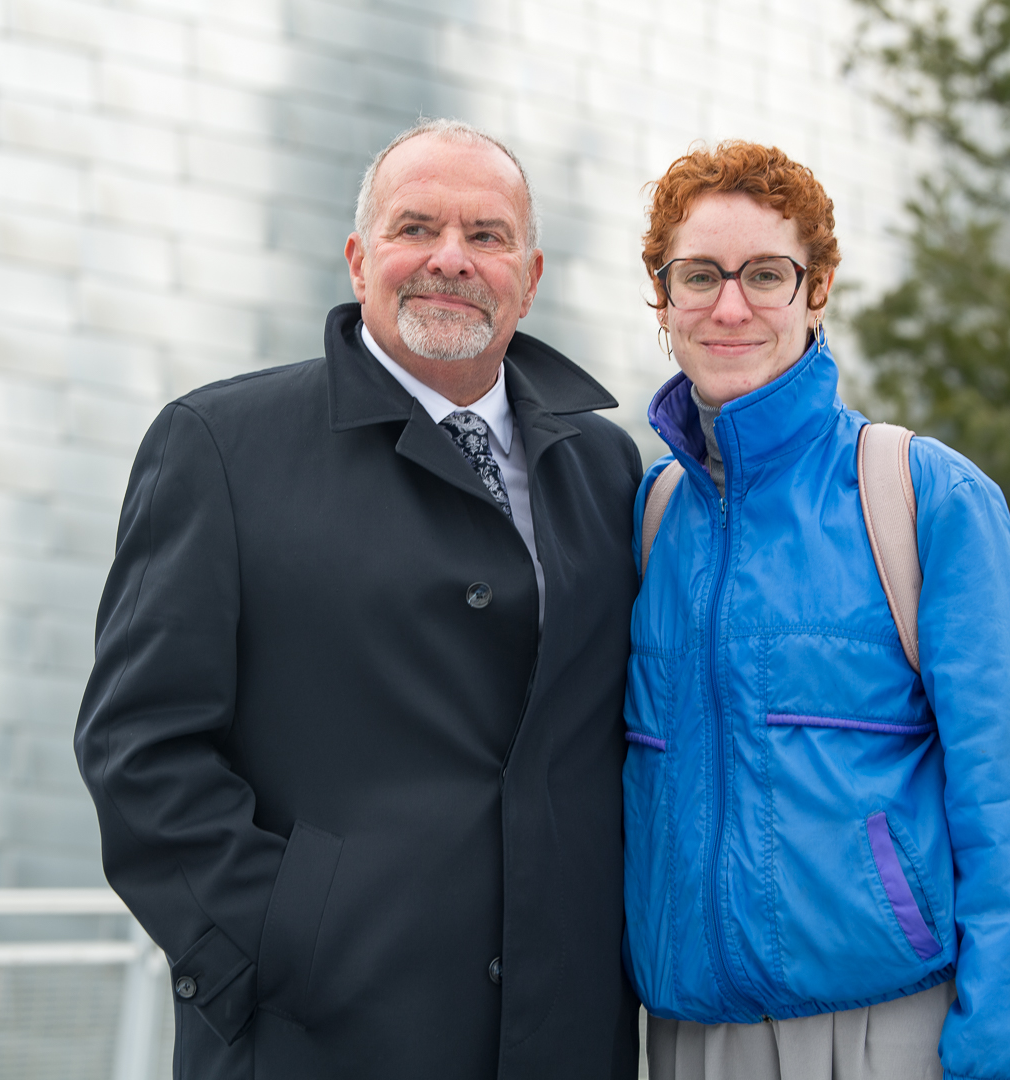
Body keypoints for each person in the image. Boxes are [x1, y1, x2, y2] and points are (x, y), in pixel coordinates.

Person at [75, 118, 644, 1080]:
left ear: (531, 276)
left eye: (488, 236)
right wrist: (283, 940)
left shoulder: (606, 468)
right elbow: (139, 748)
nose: (450, 260)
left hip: (563, 1032)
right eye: (415, 227)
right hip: (320, 1035)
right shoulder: (220, 445)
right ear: (357, 259)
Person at [622, 141, 1010, 1080]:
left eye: (767, 274)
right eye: (699, 276)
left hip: (890, 1030)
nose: (731, 305)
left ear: (818, 287)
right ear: (662, 297)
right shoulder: (651, 516)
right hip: (687, 1041)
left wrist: (999, 1056)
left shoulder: (921, 495)